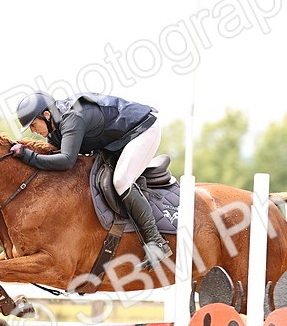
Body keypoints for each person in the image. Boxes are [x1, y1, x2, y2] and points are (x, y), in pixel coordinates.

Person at [11, 91, 173, 268]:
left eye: (34, 125)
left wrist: (27, 156)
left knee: (121, 180)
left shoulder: (72, 118)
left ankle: (156, 242)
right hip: (116, 142)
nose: (34, 131)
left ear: (47, 115)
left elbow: (66, 161)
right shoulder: (54, 131)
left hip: (142, 131)